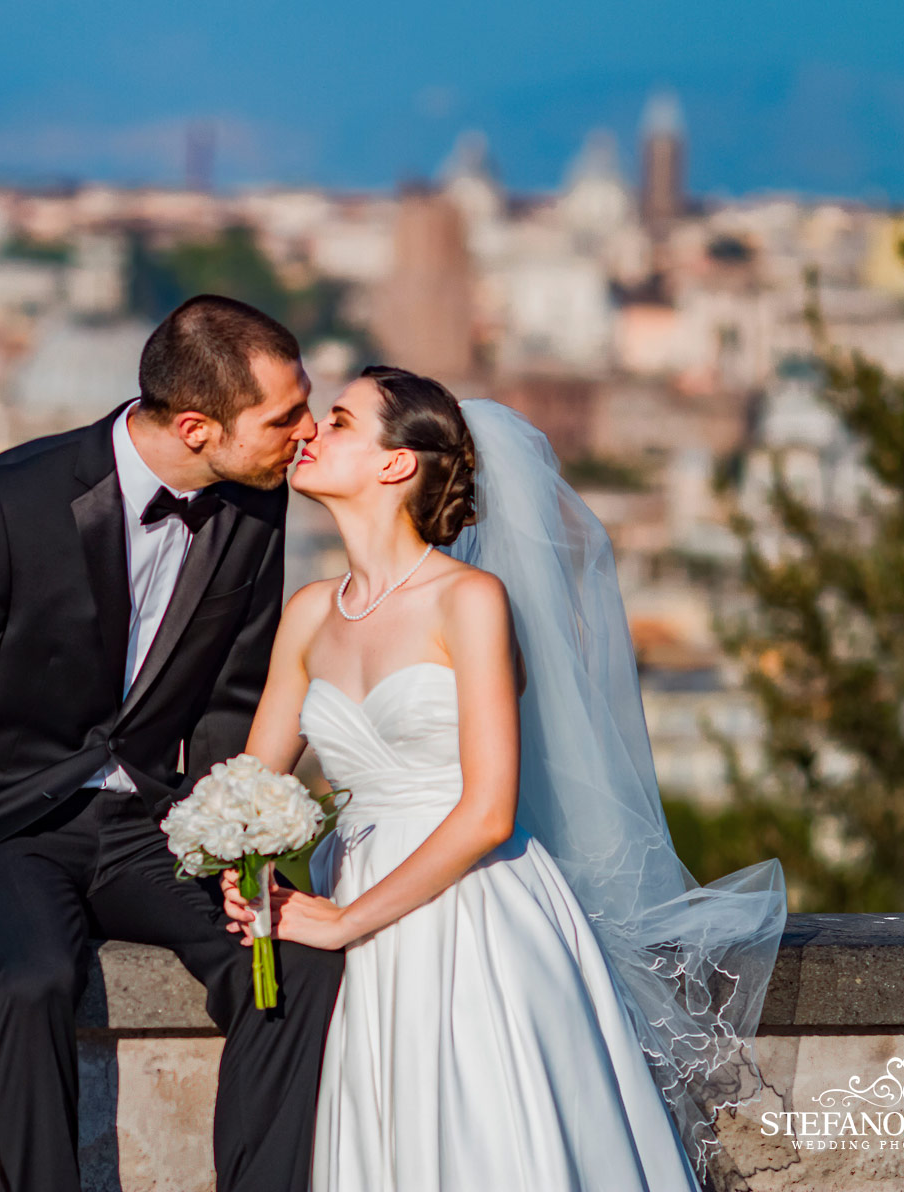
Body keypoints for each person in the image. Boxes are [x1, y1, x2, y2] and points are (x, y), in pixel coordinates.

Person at [224, 366, 787, 1190]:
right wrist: (243, 871)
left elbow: (488, 811)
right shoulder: (310, 612)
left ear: (396, 465)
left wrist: (344, 924)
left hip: (470, 909)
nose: (310, 431)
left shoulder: (469, 601)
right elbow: (251, 788)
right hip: (355, 895)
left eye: (339, 421)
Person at [0, 295, 347, 1192]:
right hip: (2, 831)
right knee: (32, 980)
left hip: (153, 829)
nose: (306, 433)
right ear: (197, 428)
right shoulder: (3, 502)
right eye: (285, 416)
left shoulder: (256, 510)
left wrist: (239, 851)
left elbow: (231, 699)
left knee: (292, 966)